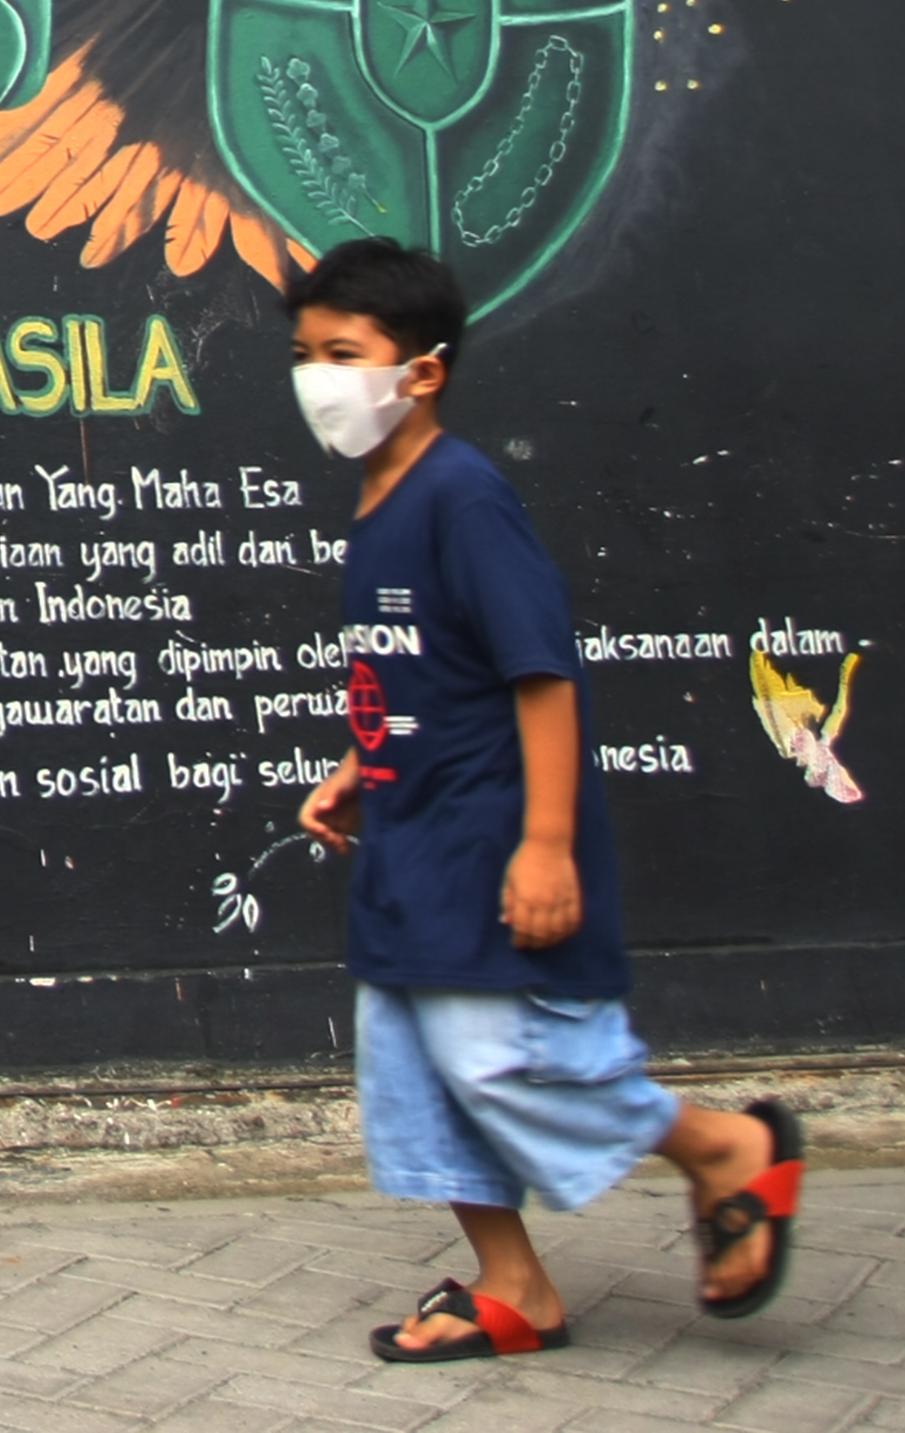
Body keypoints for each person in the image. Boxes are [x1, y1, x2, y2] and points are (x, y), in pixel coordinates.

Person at [286, 238, 807, 1361]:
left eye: (342, 352)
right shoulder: (378, 503)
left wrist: (547, 845)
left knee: (500, 1057)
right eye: (303, 353)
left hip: (484, 838)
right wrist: (354, 760)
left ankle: (722, 1148)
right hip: (407, 839)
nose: (316, 376)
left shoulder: (462, 496)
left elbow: (538, 670)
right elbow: (417, 662)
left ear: (420, 370)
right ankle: (511, 1285)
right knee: (415, 1075)